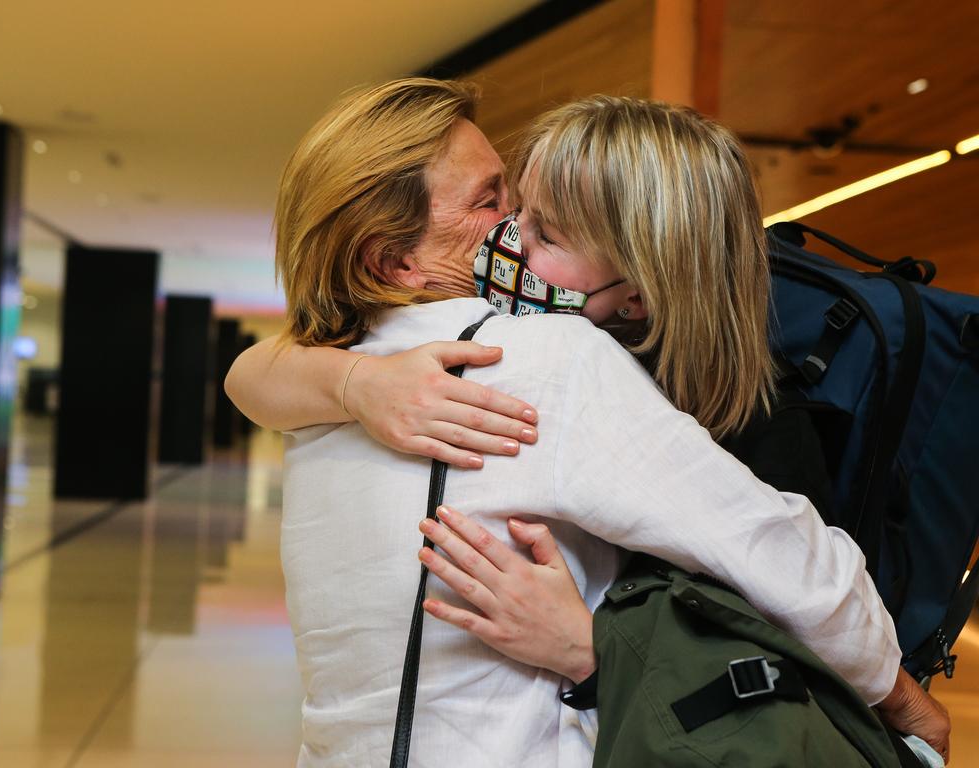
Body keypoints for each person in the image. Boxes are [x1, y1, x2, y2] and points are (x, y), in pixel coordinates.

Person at [231, 79, 948, 765]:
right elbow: (795, 568)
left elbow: (255, 372)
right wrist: (904, 701)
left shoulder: (327, 379)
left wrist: (592, 647)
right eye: (492, 203)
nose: (511, 233)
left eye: (538, 220)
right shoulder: (536, 359)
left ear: (637, 287)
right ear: (395, 259)